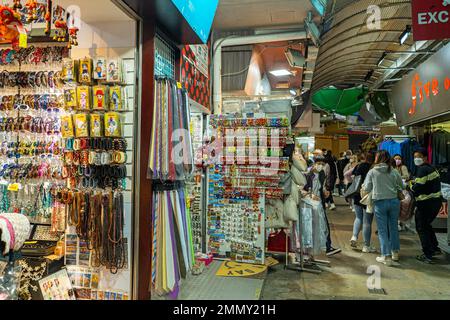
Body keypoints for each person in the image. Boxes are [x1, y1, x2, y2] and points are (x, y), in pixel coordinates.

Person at [362, 150, 404, 265]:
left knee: (382, 230)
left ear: (378, 158)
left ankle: (386, 256)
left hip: (380, 202)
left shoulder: (372, 172)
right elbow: (402, 185)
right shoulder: (394, 171)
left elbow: (367, 187)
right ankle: (395, 253)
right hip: (394, 202)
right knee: (393, 227)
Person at [304, 155, 342, 256]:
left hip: (319, 203)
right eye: (319, 163)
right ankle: (309, 249)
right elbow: (302, 188)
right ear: (314, 163)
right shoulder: (308, 173)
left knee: (324, 225)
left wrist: (324, 191)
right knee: (309, 226)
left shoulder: (321, 173)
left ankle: (327, 246)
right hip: (308, 203)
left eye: (322, 164)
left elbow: (321, 186)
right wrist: (310, 195)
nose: (320, 166)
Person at [411, 149, 443, 264]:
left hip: (426, 203)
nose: (416, 159)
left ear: (425, 157)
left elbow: (417, 188)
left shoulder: (422, 169)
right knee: (426, 225)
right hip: (435, 202)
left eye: (418, 156)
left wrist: (409, 186)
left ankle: (428, 254)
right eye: (414, 156)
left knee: (421, 227)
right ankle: (434, 248)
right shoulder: (431, 168)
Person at [350, 152, 375, 253]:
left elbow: (351, 176)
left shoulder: (358, 166)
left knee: (358, 217)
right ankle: (366, 245)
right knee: (367, 221)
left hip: (357, 194)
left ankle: (354, 236)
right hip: (368, 196)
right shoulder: (373, 168)